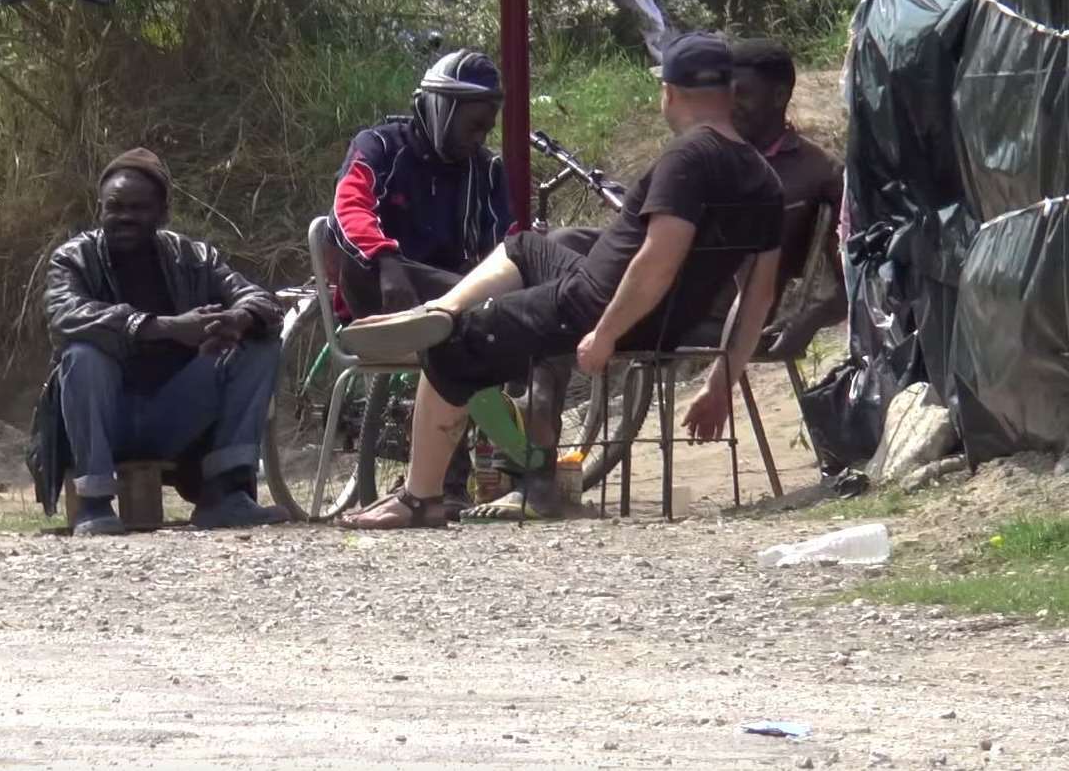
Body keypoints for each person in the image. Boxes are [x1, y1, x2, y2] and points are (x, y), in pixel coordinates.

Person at [334, 32, 785, 528]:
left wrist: (607, 334)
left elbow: (658, 259)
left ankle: (420, 498)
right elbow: (758, 296)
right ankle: (441, 307)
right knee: (528, 246)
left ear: (671, 91)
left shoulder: (688, 159)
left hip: (591, 304)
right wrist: (721, 383)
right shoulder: (765, 179)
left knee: (451, 349)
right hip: (659, 320)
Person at [465, 37, 847, 521]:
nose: (732, 106)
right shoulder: (704, 155)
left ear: (779, 98)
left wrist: (804, 322)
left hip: (711, 313)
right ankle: (509, 426)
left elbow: (836, 276)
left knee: (554, 321)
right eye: (728, 94)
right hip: (668, 290)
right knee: (562, 245)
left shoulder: (812, 171)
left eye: (742, 96)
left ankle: (531, 472)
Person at [37, 148, 288, 535]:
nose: (125, 218)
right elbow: (65, 314)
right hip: (103, 421)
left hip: (174, 416)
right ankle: (93, 502)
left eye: (139, 208)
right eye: (115, 207)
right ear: (99, 208)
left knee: (258, 345)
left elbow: (262, 301)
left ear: (162, 212)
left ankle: (225, 494)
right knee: (83, 356)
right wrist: (166, 327)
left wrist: (237, 318)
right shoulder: (72, 260)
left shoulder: (195, 257)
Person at [328, 49, 511, 518]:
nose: (480, 138)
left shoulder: (485, 172)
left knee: (497, 306)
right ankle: (441, 481)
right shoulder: (379, 147)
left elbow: (503, 249)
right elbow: (348, 209)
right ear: (439, 109)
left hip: (452, 301)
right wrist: (387, 261)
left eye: (487, 128)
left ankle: (500, 473)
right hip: (381, 292)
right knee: (459, 311)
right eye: (472, 125)